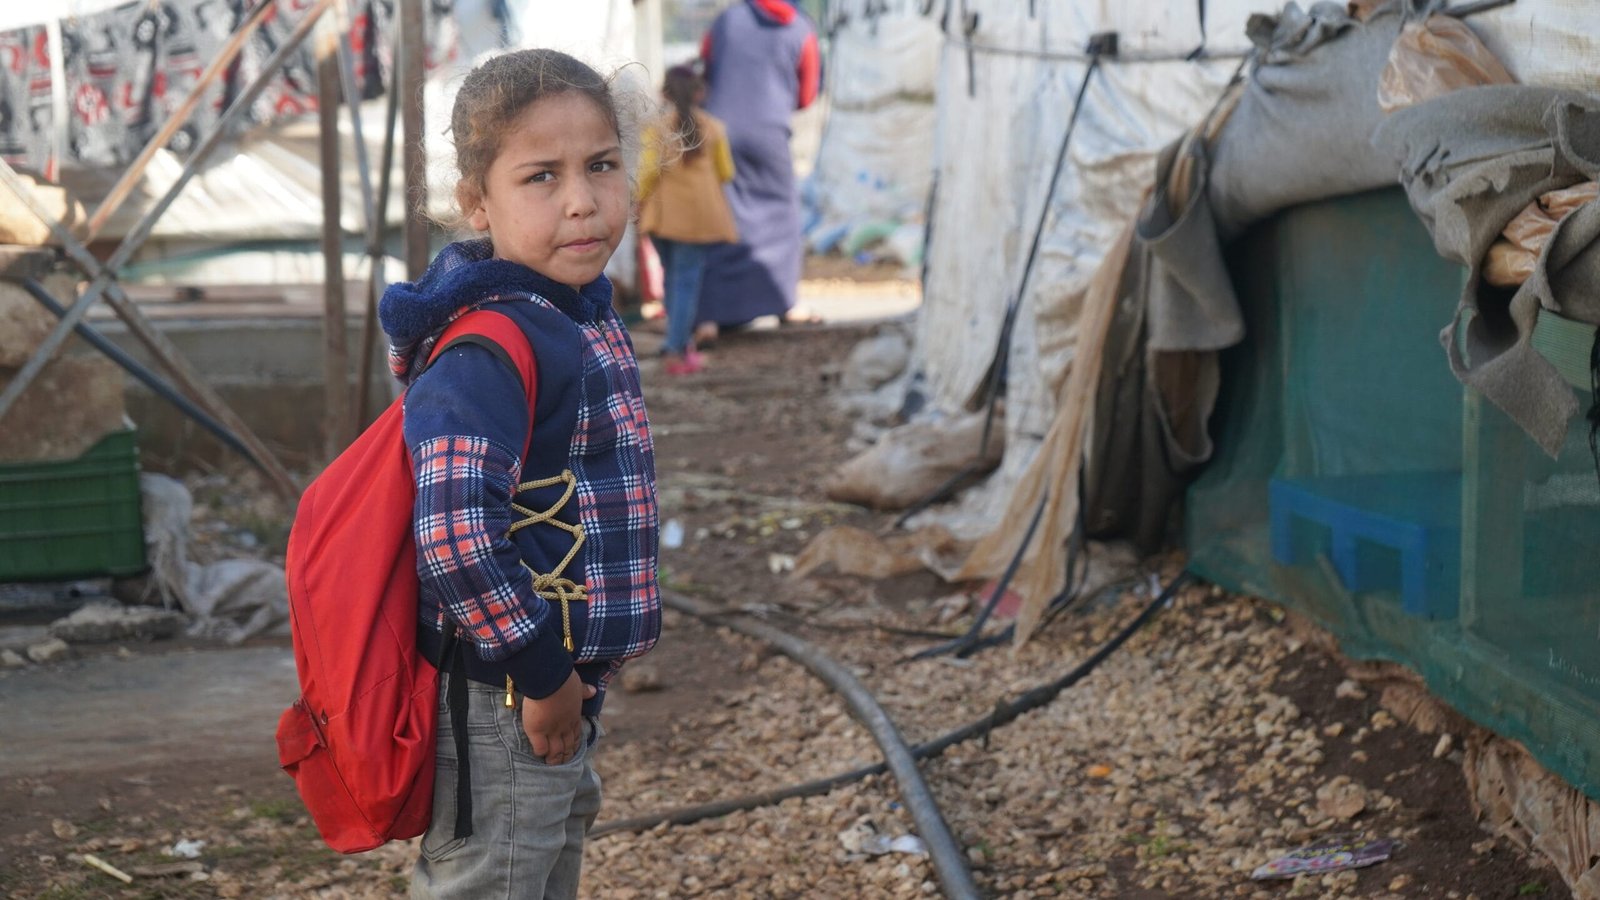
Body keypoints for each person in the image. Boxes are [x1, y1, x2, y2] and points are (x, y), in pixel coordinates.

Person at [376, 48, 660, 900]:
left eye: (602, 165)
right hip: (508, 694)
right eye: (541, 176)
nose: (582, 199)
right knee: (493, 879)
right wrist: (544, 678)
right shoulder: (488, 349)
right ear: (477, 204)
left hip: (552, 691)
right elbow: (457, 537)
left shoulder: (571, 307)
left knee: (534, 874)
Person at [696, 0, 822, 343]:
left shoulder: (726, 20)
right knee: (781, 212)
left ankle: (710, 317)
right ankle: (785, 304)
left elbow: (704, 68)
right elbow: (808, 94)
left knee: (721, 215)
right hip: (769, 133)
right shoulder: (801, 27)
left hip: (718, 130)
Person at [636, 64, 739, 375]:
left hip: (662, 218)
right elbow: (727, 173)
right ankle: (677, 349)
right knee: (686, 283)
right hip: (697, 220)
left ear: (664, 93)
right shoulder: (715, 128)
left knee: (672, 280)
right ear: (699, 92)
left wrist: (636, 200)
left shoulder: (658, 130)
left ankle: (676, 341)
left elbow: (647, 173)